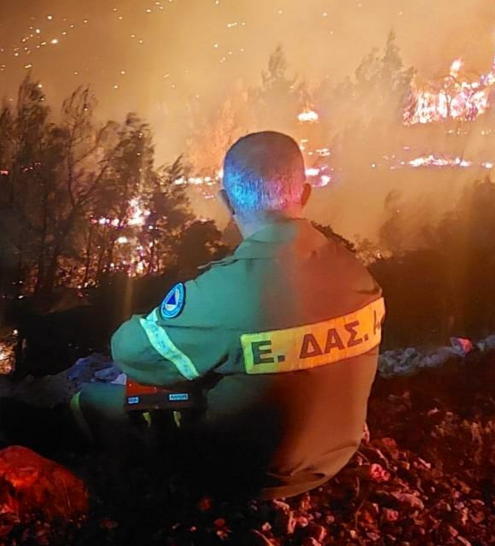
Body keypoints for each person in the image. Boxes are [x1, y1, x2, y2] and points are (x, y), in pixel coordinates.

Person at [71, 131, 384, 499]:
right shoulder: (356, 274)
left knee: (89, 400)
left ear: (227, 202)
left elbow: (133, 353)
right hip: (332, 458)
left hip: (251, 472)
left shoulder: (224, 292)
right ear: (305, 193)